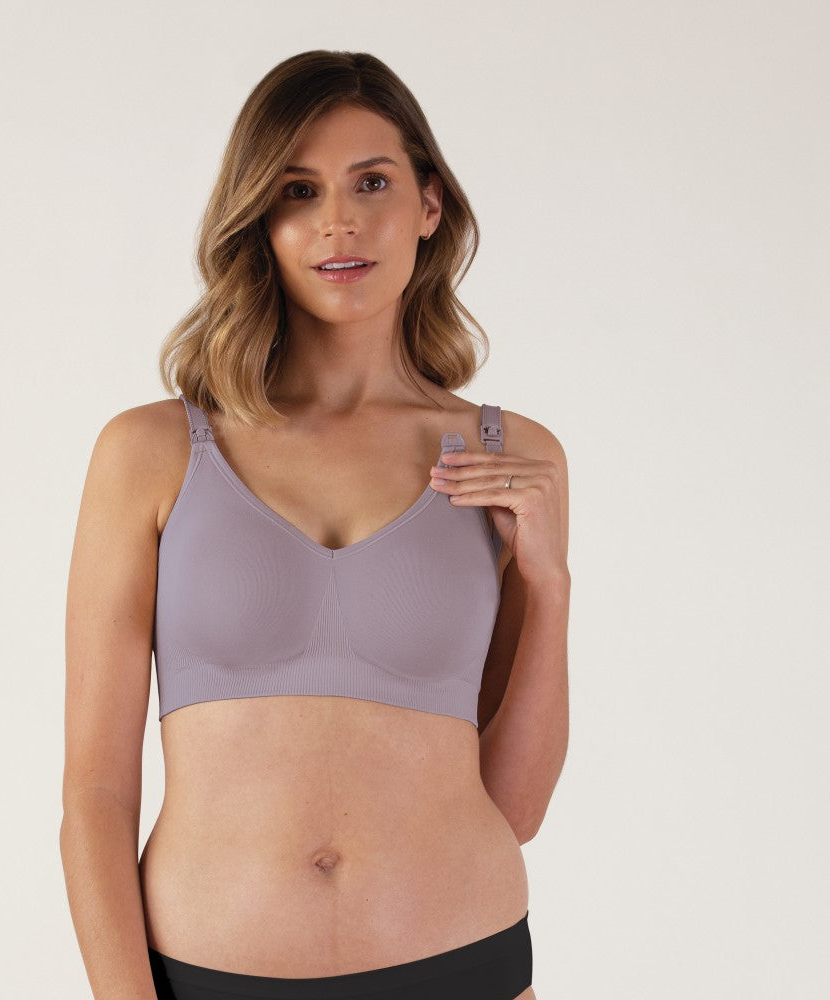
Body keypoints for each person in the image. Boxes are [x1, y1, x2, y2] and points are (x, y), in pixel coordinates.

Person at [61, 49, 571, 1000]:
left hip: (467, 964)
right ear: (262, 221)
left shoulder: (509, 456)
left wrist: (550, 585)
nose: (340, 221)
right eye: (299, 191)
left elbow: (515, 807)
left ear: (429, 204)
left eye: (371, 182)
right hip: (209, 973)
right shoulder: (151, 453)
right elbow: (94, 797)